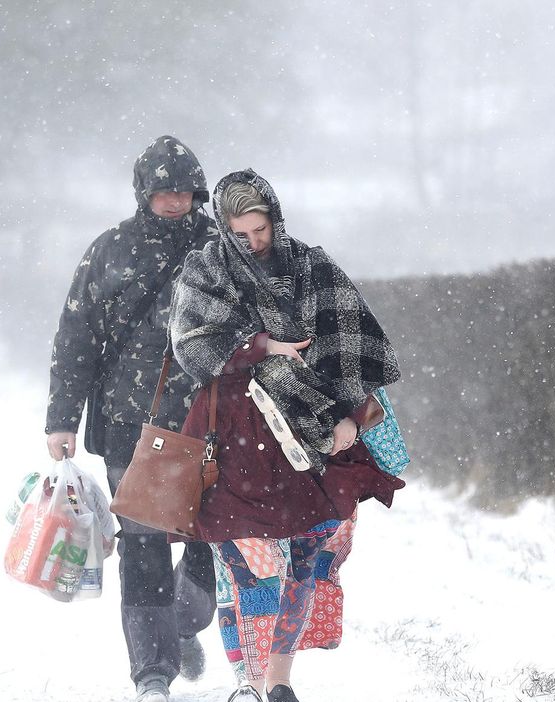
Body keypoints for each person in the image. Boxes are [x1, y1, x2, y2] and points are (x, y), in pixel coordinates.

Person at [169, 169, 405, 702]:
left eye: (262, 229)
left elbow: (348, 341)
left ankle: (280, 681)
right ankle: (247, 683)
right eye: (241, 233)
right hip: (233, 433)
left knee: (306, 552)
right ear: (224, 228)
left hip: (311, 430)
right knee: (238, 562)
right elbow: (191, 346)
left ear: (276, 219)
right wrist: (260, 347)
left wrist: (345, 413)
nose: (255, 242)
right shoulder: (205, 270)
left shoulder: (312, 265)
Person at [44, 135, 220, 702]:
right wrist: (61, 418)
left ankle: (185, 621)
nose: (175, 201)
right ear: (144, 193)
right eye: (164, 191)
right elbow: (77, 337)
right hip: (131, 423)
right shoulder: (111, 250)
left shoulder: (223, 248)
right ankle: (151, 673)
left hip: (211, 418)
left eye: (184, 191)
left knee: (212, 535)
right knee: (144, 542)